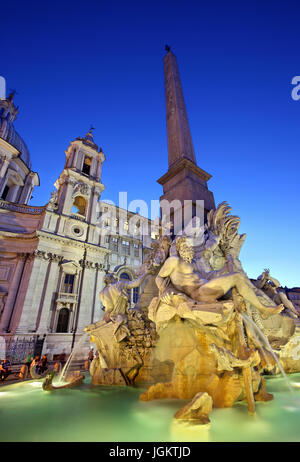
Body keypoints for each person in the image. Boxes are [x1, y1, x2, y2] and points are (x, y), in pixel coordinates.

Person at [156, 236, 284, 320]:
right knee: (237, 278)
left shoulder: (194, 263)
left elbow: (210, 275)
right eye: (186, 246)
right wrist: (164, 291)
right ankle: (263, 310)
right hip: (199, 293)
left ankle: (255, 317)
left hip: (207, 288)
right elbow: (159, 277)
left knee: (239, 286)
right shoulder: (173, 261)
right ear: (179, 247)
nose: (189, 248)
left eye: (190, 246)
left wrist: (225, 268)